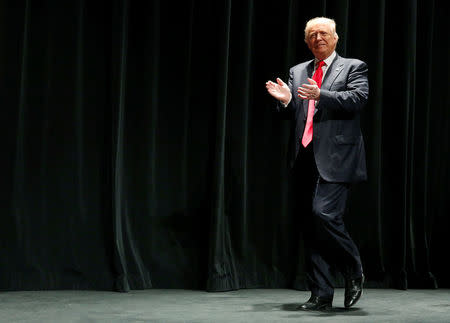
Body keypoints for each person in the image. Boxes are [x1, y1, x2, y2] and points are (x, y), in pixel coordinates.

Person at [265, 17, 368, 310]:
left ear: (335, 38)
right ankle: (321, 293)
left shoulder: (353, 66)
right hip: (304, 156)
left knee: (323, 213)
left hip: (337, 156)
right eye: (312, 34)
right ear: (307, 42)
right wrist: (286, 101)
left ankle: (354, 268)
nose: (318, 37)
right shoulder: (298, 71)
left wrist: (321, 94)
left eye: (323, 33)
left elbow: (358, 98)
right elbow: (298, 112)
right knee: (310, 226)